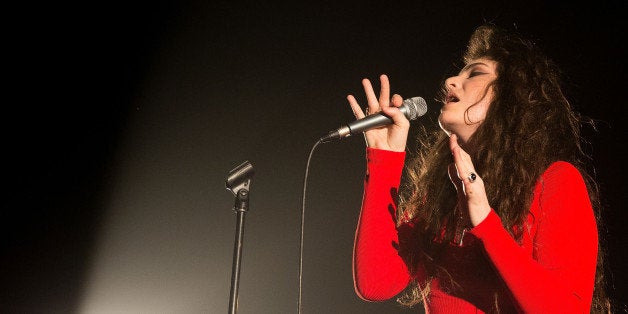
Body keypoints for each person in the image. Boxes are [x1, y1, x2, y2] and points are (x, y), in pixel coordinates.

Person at [349, 24, 610, 313]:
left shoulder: (556, 181)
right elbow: (376, 282)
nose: (450, 81)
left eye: (475, 73)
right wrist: (384, 157)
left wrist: (486, 224)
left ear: (509, 97)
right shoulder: (439, 199)